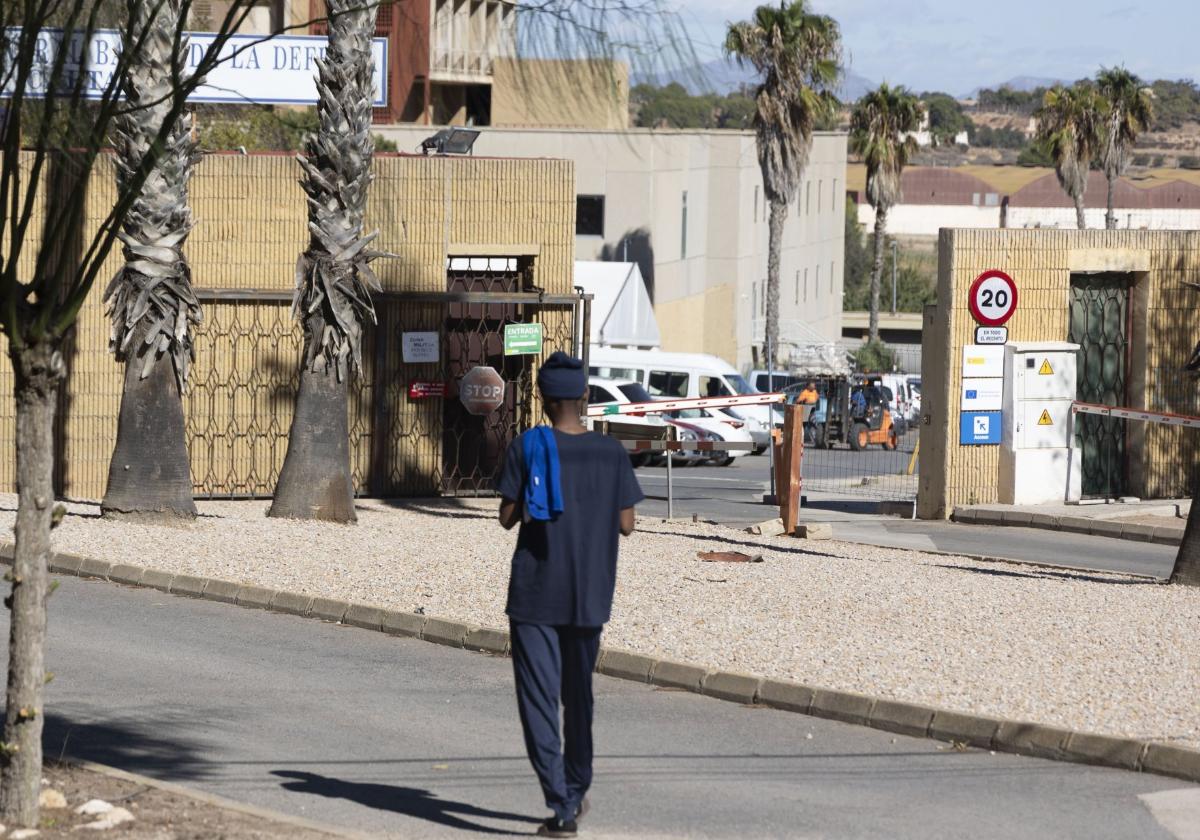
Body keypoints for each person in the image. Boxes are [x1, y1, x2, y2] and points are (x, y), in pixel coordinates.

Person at [497, 351, 644, 838]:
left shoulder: (528, 445)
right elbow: (627, 525)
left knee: (539, 701)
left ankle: (561, 805)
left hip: (536, 595)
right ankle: (576, 788)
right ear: (584, 396)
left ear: (542, 398)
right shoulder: (611, 453)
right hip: (590, 596)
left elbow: (506, 516)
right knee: (578, 699)